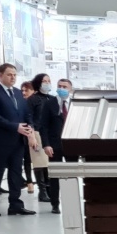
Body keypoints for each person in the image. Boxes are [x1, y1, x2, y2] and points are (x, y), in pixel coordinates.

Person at [0, 63, 33, 217]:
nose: (13, 78)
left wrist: (29, 128)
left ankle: (15, 205)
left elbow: (25, 113)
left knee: (16, 173)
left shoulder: (17, 93)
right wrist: (15, 127)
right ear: (0, 75)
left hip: (18, 141)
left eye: (15, 75)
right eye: (9, 74)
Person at [30, 78, 69, 214]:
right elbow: (43, 126)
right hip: (54, 145)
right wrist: (46, 144)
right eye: (59, 86)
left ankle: (71, 202)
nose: (61, 88)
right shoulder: (50, 103)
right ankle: (55, 203)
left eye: (64, 86)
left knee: (72, 175)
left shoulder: (75, 103)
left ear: (70, 88)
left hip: (71, 145)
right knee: (54, 175)